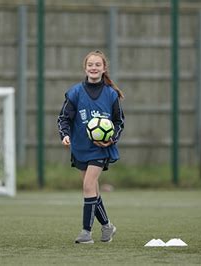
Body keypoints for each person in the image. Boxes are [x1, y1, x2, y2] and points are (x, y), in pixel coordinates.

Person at [57, 50, 124, 244]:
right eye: (90, 65)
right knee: (92, 189)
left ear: (104, 69)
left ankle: (86, 232)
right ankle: (107, 226)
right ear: (85, 68)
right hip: (80, 147)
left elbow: (119, 122)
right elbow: (64, 118)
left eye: (97, 65)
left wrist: (111, 139)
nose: (93, 68)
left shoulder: (111, 94)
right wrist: (65, 136)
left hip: (100, 148)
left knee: (88, 185)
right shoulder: (75, 92)